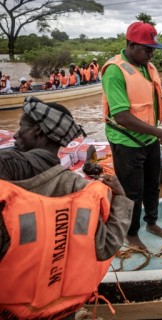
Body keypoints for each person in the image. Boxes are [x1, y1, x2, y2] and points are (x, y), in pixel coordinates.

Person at [0, 96, 133, 319]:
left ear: (38, 132)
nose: (16, 134)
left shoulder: (5, 183)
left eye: (21, 126)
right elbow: (106, 247)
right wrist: (120, 197)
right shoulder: (80, 191)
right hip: (59, 310)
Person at [101, 21, 162, 250]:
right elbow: (122, 116)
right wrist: (160, 133)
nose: (151, 54)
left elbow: (144, 104)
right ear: (130, 45)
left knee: (152, 186)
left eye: (153, 49)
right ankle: (131, 233)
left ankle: (152, 223)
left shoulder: (148, 67)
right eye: (146, 49)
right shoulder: (115, 71)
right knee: (132, 191)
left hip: (149, 139)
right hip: (127, 141)